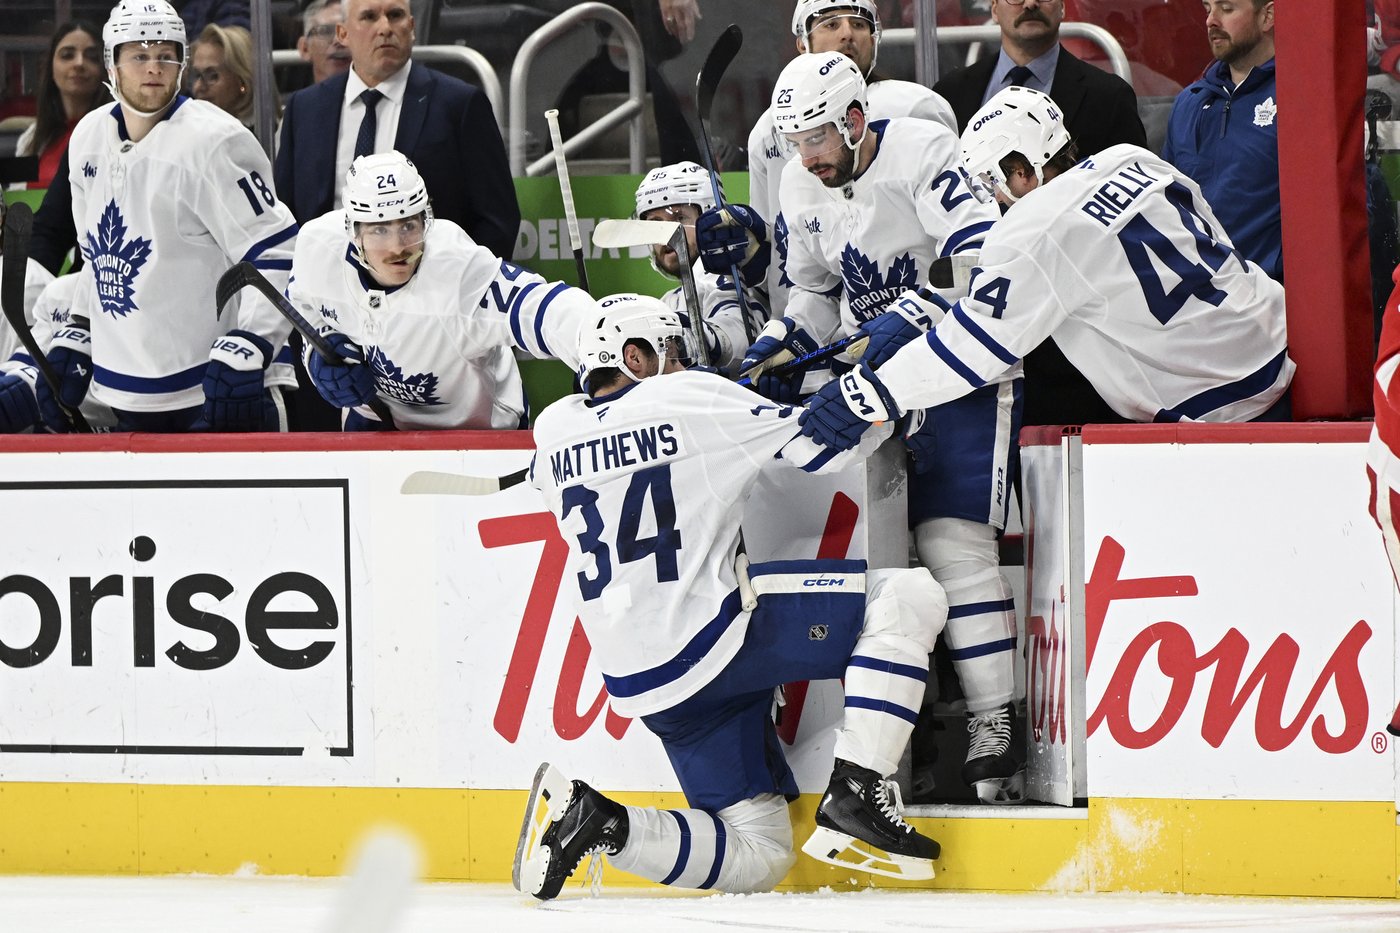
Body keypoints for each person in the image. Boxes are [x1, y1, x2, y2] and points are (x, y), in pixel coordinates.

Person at [514, 292, 948, 900]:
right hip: (715, 641)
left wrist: (739, 406)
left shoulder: (554, 429)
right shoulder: (690, 397)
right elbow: (823, 445)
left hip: (646, 682)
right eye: (671, 351)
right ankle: (858, 786)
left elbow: (637, 444)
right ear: (634, 356)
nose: (683, 363)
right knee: (905, 596)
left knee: (760, 854)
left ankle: (603, 823)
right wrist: (893, 402)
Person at [743, 52, 1023, 805]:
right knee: (881, 564)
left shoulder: (925, 151)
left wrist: (916, 313)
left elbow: (985, 257)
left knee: (953, 544)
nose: (806, 155)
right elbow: (813, 293)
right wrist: (778, 344)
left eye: (816, 138)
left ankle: (998, 718)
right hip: (875, 384)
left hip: (963, 367)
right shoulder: (800, 182)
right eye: (795, 142)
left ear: (855, 119)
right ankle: (909, 741)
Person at [800, 86, 1293, 460]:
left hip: (1223, 406)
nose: (991, 200)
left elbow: (967, 351)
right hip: (1280, 342)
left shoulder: (1034, 230)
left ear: (1021, 171)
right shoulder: (1132, 157)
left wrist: (864, 396)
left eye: (990, 182)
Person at [36, 0, 299, 434]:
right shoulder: (87, 137)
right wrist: (80, 326)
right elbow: (96, 255)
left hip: (215, 389)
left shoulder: (215, 140)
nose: (154, 67)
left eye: (166, 54)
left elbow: (275, 250)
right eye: (139, 56)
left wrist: (253, 341)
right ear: (112, 63)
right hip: (121, 390)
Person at [931, 0, 1148, 428]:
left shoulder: (1107, 96)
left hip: (1076, 351)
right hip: (980, 333)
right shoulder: (950, 95)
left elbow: (1127, 218)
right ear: (994, 7)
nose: (1029, 2)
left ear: (1063, 6)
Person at [290, 151, 593, 430]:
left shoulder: (458, 271)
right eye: (380, 230)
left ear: (426, 221)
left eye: (408, 226)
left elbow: (542, 308)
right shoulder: (317, 248)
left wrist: (599, 345)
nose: (397, 248)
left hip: (474, 434)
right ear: (353, 231)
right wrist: (319, 348)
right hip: (373, 421)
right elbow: (304, 305)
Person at [698, 0, 957, 317]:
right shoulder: (767, 130)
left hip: (915, 311)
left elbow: (957, 231)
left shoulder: (914, 107)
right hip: (809, 315)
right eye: (831, 24)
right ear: (801, 43)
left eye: (859, 24)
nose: (848, 34)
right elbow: (778, 242)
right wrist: (750, 250)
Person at [274, 0, 519, 261]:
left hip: (431, 278)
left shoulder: (459, 104)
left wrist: (459, 279)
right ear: (343, 34)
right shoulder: (305, 108)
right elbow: (285, 216)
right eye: (369, 17)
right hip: (324, 278)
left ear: (411, 28)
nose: (385, 28)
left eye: (395, 15)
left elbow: (498, 219)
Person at [1161, 0, 1280, 283]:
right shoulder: (1188, 102)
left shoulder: (1298, 97)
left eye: (1226, 9)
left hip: (1272, 294)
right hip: (1197, 293)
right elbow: (1165, 203)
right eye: (1207, 9)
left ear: (1267, 16)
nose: (1211, 21)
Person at [632, 161, 765, 375]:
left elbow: (738, 336)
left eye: (679, 218)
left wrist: (695, 341)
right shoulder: (669, 301)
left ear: (710, 218)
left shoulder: (730, 279)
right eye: (656, 223)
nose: (667, 234)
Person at [13, 21, 109, 191]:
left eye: (92, 57)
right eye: (67, 55)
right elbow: (16, 195)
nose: (79, 63)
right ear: (51, 68)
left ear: (104, 70)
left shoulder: (121, 132)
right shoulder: (30, 139)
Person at [188, 24, 262, 127]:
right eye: (197, 75)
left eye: (212, 76)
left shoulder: (263, 133)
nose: (198, 87)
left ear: (242, 81)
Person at [296, 0, 351, 86]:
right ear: (305, 48)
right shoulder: (297, 96)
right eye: (326, 31)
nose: (338, 40)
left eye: (347, 31)